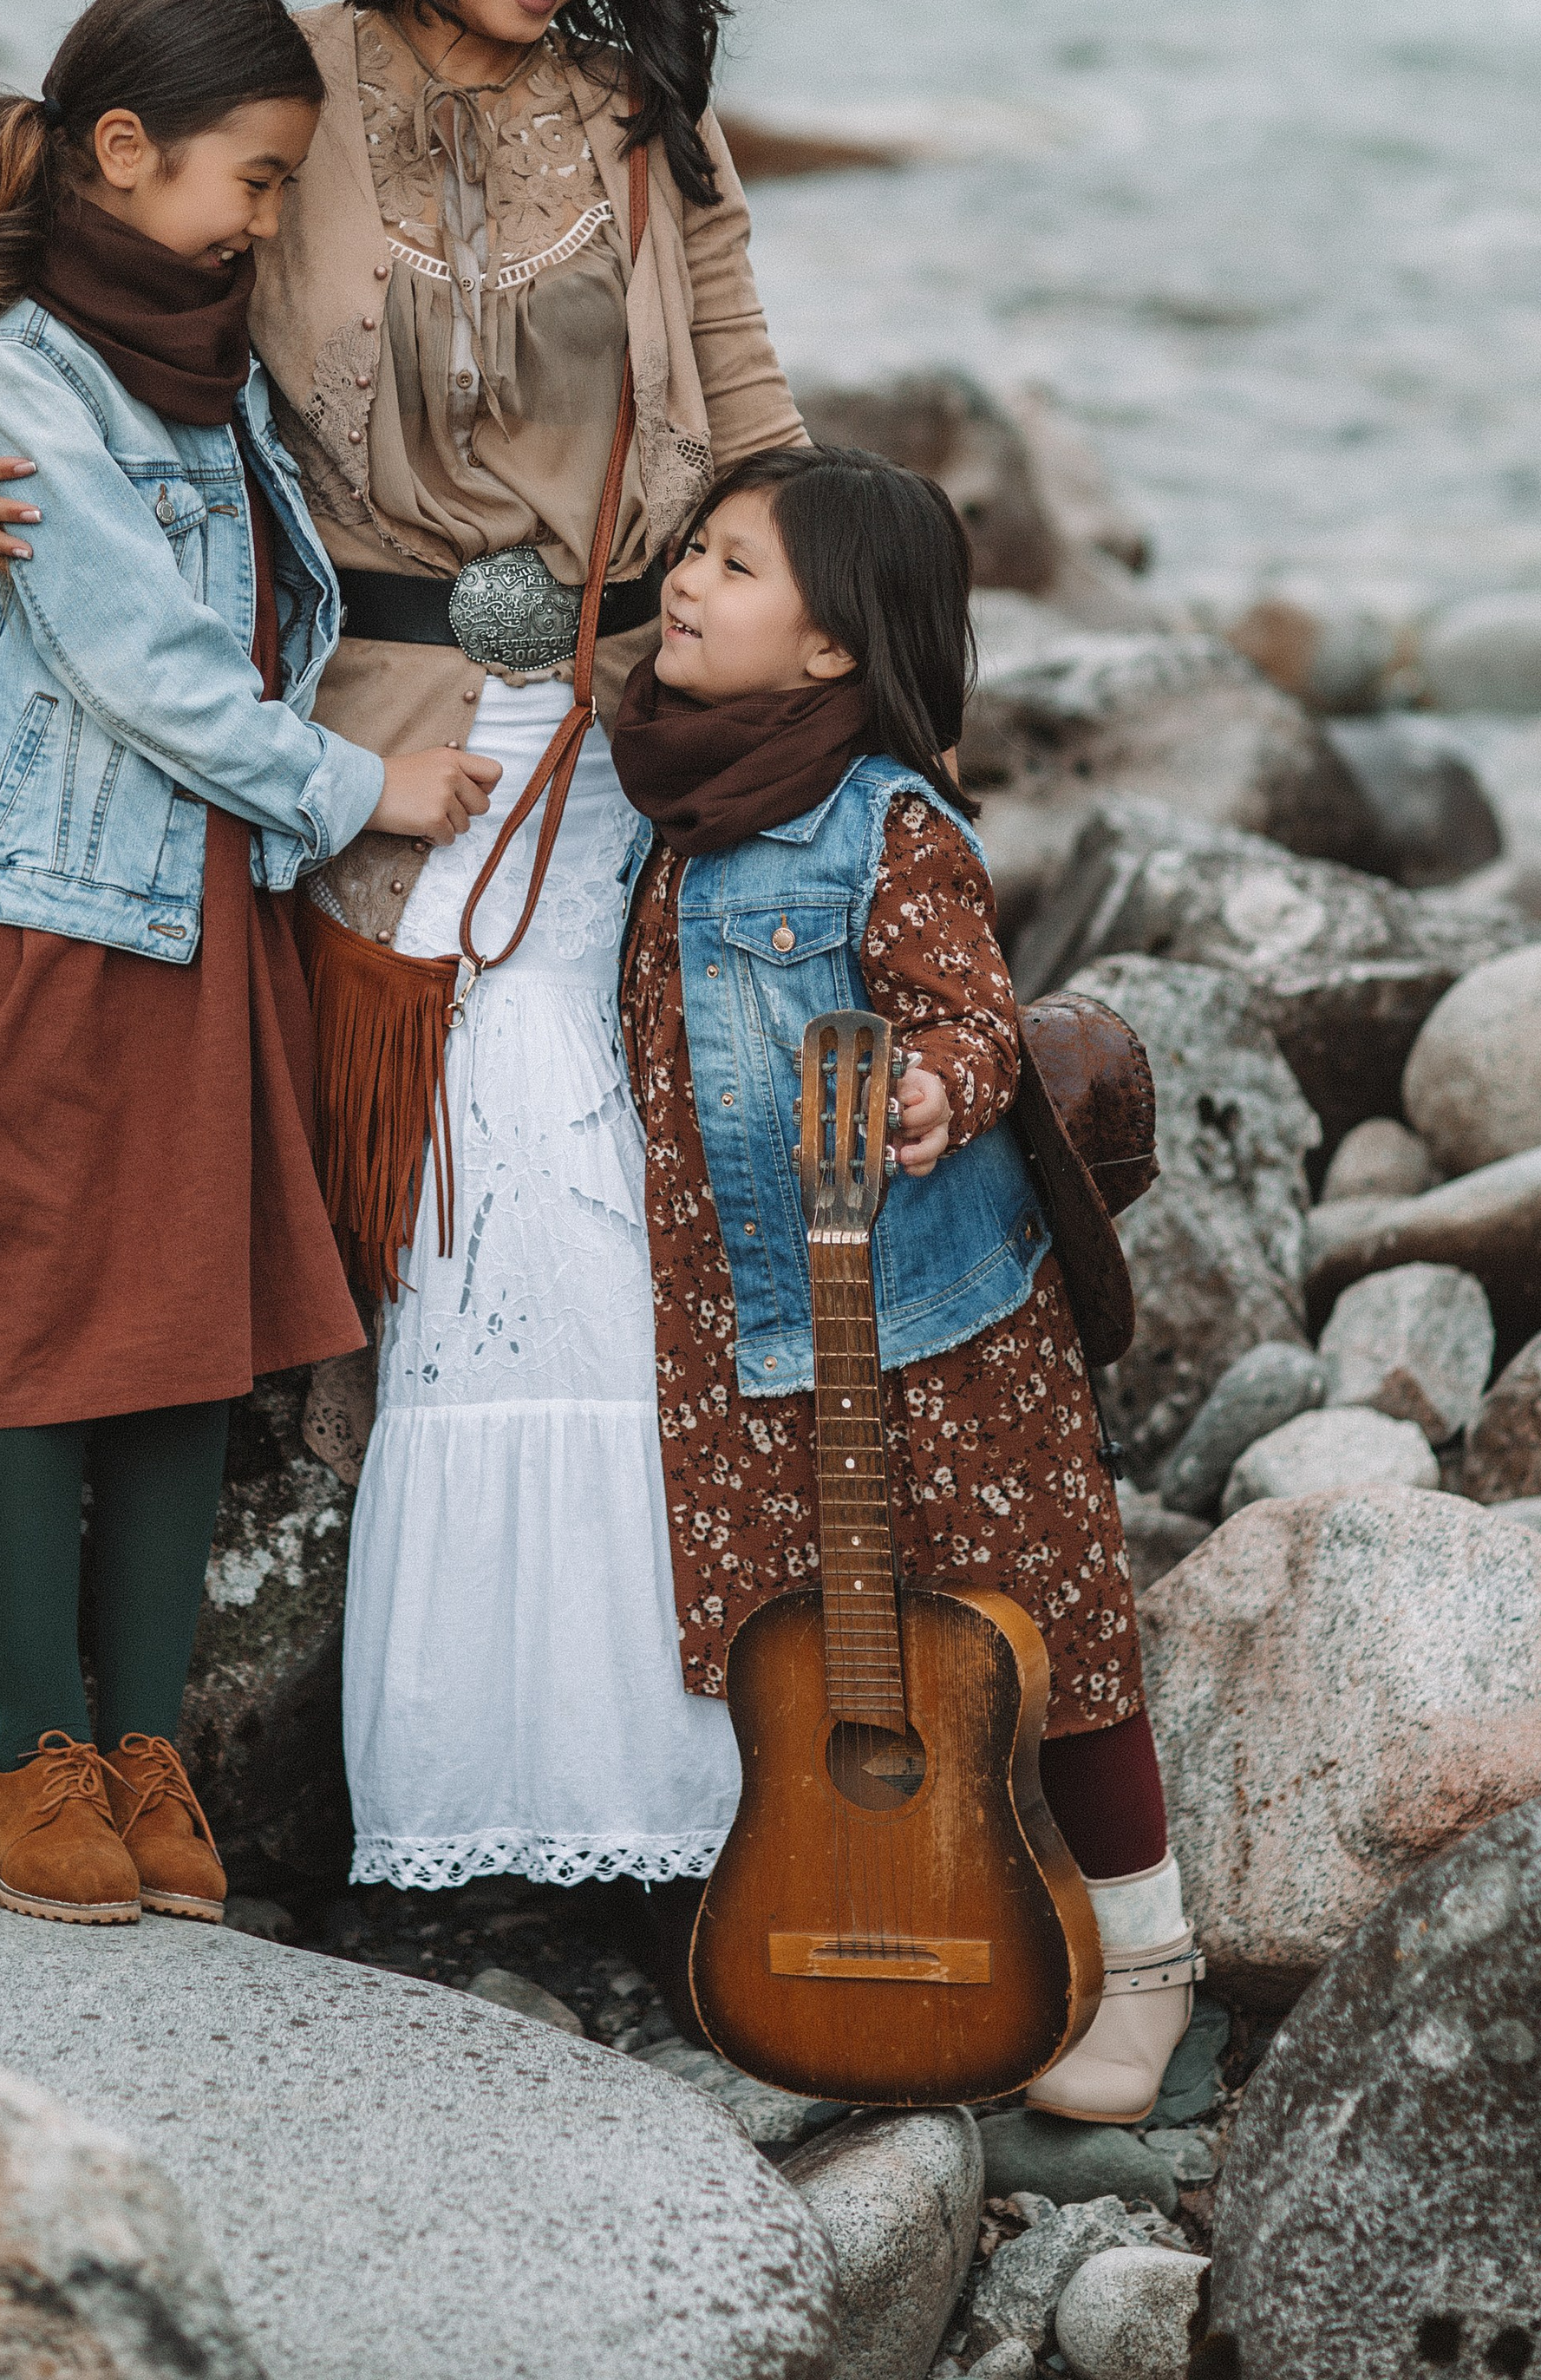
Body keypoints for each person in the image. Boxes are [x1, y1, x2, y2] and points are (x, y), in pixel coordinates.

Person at [0, 0, 806, 1902]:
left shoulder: (649, 121)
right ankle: (451, 1814)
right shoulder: (278, 94)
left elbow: (755, 411)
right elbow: (62, 307)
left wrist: (855, 680)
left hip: (627, 730)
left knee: (619, 1221)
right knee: (474, 1230)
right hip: (364, 748)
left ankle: (647, 1811)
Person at [0, 0, 493, 1929]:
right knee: (33, 1324)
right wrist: (358, 787)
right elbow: (136, 658)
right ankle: (31, 1750)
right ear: (124, 152)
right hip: (47, 921)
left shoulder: (209, 366)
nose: (268, 219)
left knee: (182, 1331)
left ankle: (145, 1745)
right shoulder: (34, 379)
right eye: (256, 177)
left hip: (200, 917)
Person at [608, 443, 1200, 2122]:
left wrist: (937, 1086)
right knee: (794, 1641)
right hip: (737, 1321)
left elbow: (970, 1015)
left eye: (734, 566)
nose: (686, 580)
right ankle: (869, 1906)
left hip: (932, 1317)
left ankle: (1147, 1955)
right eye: (693, 547)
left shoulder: (884, 823)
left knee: (1046, 1628)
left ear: (831, 650)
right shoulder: (667, 794)